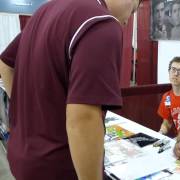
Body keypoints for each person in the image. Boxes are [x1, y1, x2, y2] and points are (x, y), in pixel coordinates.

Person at [0, 0, 141, 180]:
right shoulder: (102, 23)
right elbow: (83, 118)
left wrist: (29, 115)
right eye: (133, 9)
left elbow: (5, 64)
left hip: (22, 156)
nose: (129, 20)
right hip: (59, 166)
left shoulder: (47, 10)